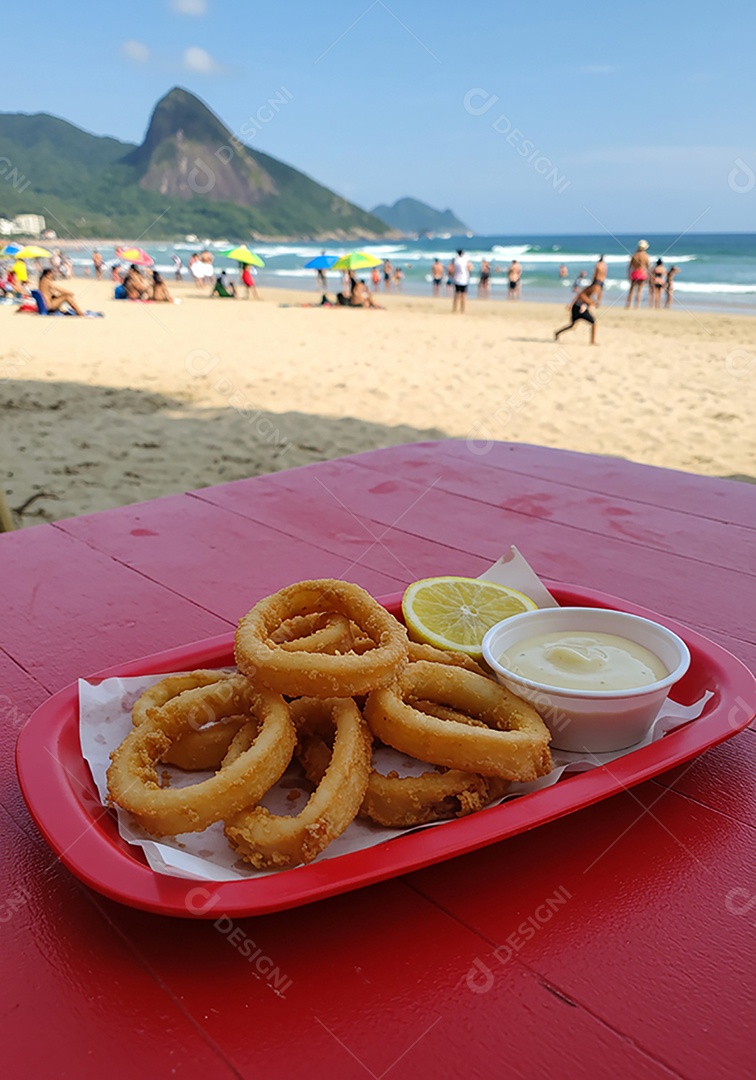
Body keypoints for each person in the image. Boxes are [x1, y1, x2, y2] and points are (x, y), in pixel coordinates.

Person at [554, 280, 601, 345]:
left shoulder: (592, 291)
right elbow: (582, 296)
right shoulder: (590, 289)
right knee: (593, 323)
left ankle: (557, 333)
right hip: (578, 308)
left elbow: (581, 297)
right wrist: (591, 303)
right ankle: (592, 342)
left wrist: (571, 304)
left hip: (579, 308)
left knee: (572, 326)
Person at [625, 239, 650, 308]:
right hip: (642, 273)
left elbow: (630, 266)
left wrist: (628, 274)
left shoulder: (634, 255)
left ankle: (628, 304)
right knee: (639, 290)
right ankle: (637, 305)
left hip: (634, 272)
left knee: (631, 289)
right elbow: (648, 266)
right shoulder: (646, 256)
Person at [451, 248, 471, 313]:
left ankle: (454, 308)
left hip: (457, 279)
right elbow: (470, 268)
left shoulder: (456, 261)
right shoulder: (465, 260)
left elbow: (452, 270)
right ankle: (462, 309)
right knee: (464, 295)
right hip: (464, 279)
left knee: (456, 295)